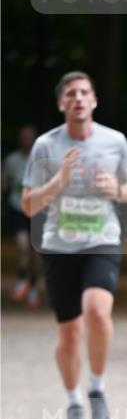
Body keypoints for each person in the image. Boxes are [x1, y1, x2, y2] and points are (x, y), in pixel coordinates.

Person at [22, 71, 127, 419]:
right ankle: (73, 399)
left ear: (94, 101)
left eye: (84, 92)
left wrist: (116, 189)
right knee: (70, 332)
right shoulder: (46, 145)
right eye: (71, 93)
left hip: (102, 240)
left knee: (97, 312)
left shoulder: (114, 141)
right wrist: (59, 181)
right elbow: (28, 204)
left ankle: (97, 388)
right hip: (59, 245)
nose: (78, 98)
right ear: (61, 103)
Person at [2, 124, 41, 307]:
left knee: (36, 253)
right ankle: (21, 279)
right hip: (17, 208)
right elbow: (5, 181)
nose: (26, 141)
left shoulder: (42, 159)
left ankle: (33, 287)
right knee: (23, 246)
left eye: (29, 137)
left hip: (38, 210)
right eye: (23, 137)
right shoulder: (12, 160)